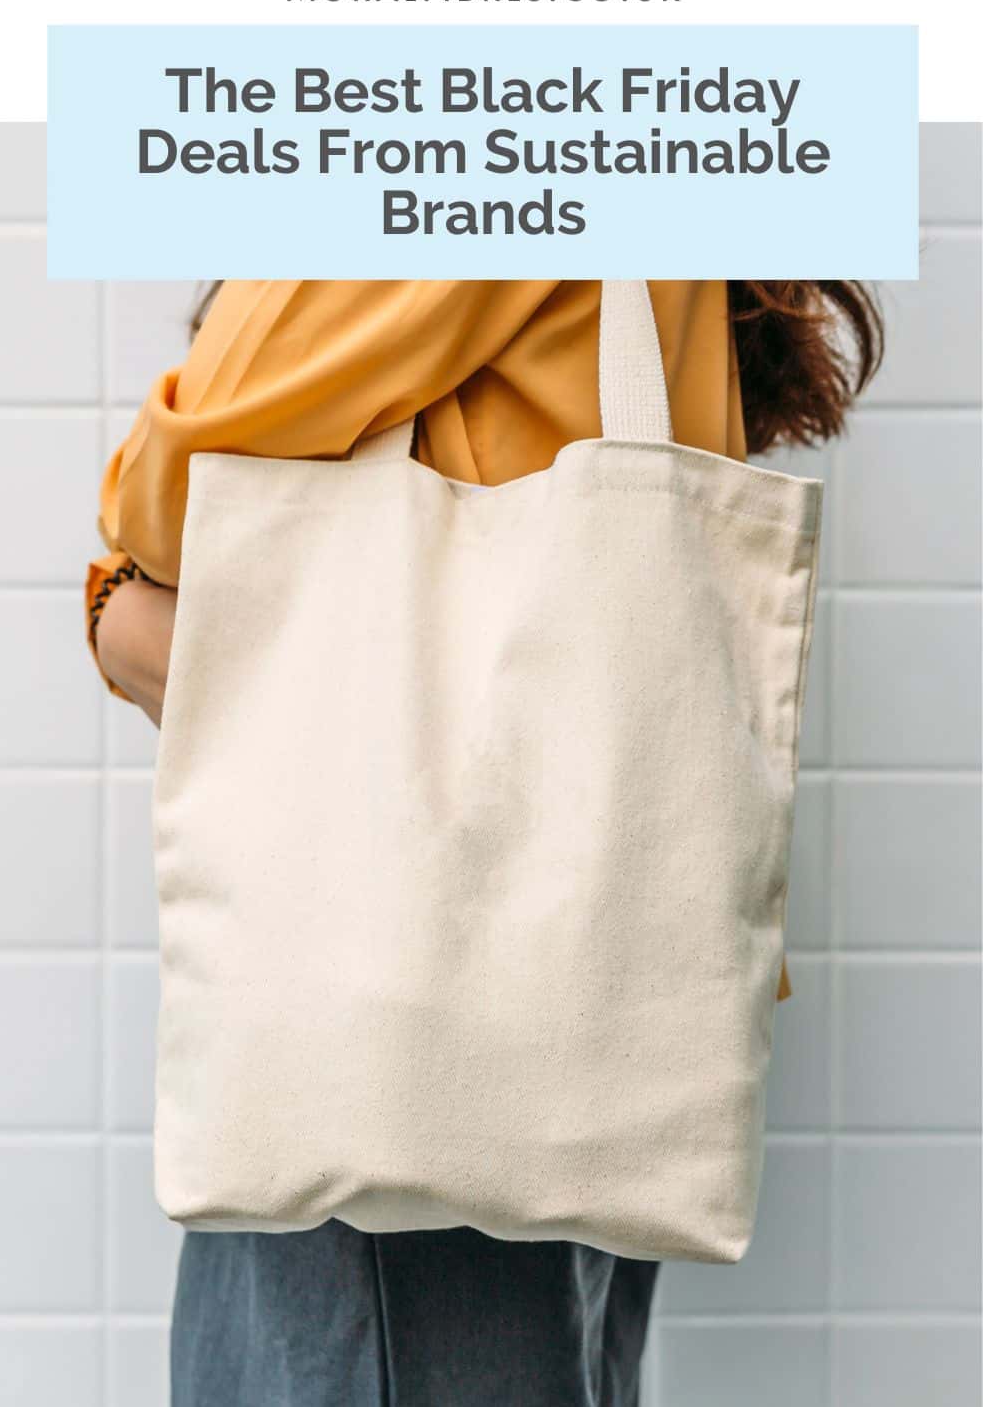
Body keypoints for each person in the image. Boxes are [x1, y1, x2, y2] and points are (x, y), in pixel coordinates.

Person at [86, 278, 880, 1407]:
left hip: (398, 1007)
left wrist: (110, 585)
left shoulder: (490, 117)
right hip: (580, 991)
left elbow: (184, 472)